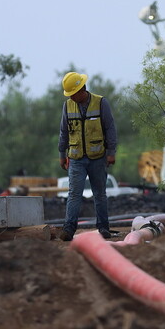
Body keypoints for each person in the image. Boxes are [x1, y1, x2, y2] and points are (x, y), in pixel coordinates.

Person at [57, 72, 117, 241]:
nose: (71, 97)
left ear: (81, 90)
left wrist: (111, 152)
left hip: (98, 156)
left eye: (72, 94)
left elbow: (110, 128)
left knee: (100, 194)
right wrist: (62, 154)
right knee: (74, 194)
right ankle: (68, 229)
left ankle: (103, 228)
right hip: (76, 158)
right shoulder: (67, 106)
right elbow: (64, 132)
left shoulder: (101, 103)